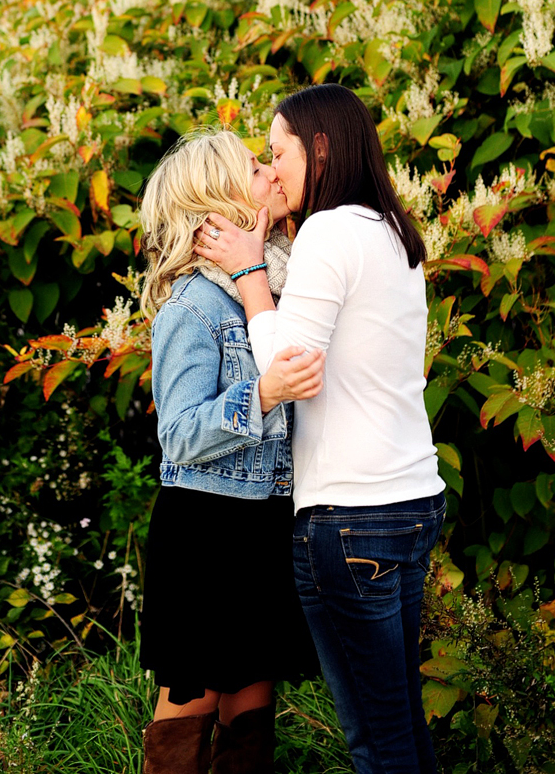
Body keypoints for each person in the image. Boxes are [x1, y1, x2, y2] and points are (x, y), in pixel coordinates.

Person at [195, 84, 446, 774]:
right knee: (403, 722)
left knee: (379, 739)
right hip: (412, 501)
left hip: (350, 516)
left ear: (323, 146)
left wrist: (250, 275)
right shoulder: (394, 232)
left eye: (278, 152)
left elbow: (289, 369)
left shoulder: (330, 232)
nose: (270, 170)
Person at [138, 128, 322, 774]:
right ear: (217, 197)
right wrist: (263, 393)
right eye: (254, 167)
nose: (272, 173)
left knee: (251, 693)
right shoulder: (191, 304)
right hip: (207, 530)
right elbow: (180, 434)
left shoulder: (274, 286)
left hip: (267, 520)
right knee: (194, 693)